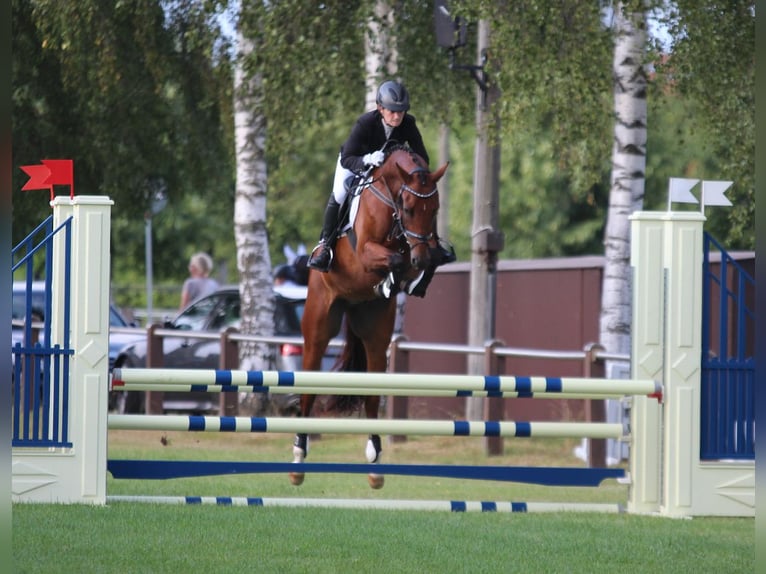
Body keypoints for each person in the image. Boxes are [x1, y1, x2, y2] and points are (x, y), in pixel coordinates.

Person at [306, 80, 455, 290]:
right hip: (355, 163)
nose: (397, 116)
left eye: (401, 111)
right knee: (339, 193)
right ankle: (325, 246)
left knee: (421, 199)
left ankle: (434, 242)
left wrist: (416, 173)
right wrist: (367, 159)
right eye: (392, 111)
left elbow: (422, 156)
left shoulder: (408, 123)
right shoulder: (365, 123)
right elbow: (348, 157)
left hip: (388, 173)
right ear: (380, 108)